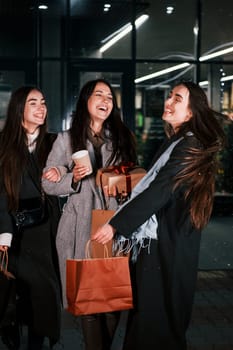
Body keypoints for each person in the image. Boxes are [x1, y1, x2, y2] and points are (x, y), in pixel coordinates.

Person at [92, 81, 226, 350]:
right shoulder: (178, 140)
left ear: (191, 112)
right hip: (163, 241)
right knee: (152, 319)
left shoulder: (190, 144)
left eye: (178, 98)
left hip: (169, 245)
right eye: (170, 96)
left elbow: (161, 189)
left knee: (159, 321)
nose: (169, 101)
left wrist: (117, 225)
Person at [42, 78, 137, 350]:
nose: (106, 100)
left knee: (112, 300)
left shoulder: (121, 138)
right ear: (86, 101)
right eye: (99, 95)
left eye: (110, 97)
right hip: (80, 228)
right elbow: (48, 183)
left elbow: (133, 179)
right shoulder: (65, 138)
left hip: (112, 225)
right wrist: (72, 177)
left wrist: (122, 186)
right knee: (89, 301)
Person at [0, 86, 61, 350]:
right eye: (33, 103)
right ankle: (10, 334)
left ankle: (39, 341)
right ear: (19, 110)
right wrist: (3, 232)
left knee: (44, 292)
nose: (41, 108)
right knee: (13, 291)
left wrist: (62, 172)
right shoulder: (4, 144)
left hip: (45, 228)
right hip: (13, 228)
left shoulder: (55, 142)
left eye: (43, 102)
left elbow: (72, 177)